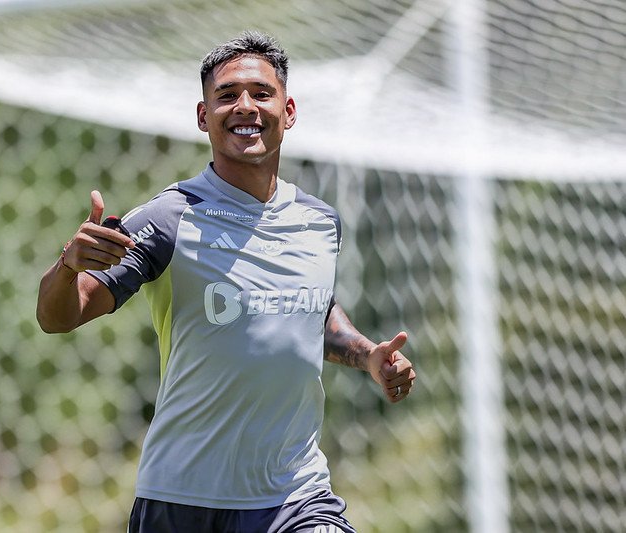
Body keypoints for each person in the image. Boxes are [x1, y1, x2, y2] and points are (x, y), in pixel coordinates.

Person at [37, 31, 416, 533]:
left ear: (289, 110)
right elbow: (59, 317)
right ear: (203, 116)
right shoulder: (169, 218)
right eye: (227, 95)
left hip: (294, 495)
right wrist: (68, 267)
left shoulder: (320, 222)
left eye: (261, 93)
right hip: (182, 498)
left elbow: (308, 308)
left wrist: (367, 354)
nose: (245, 107)